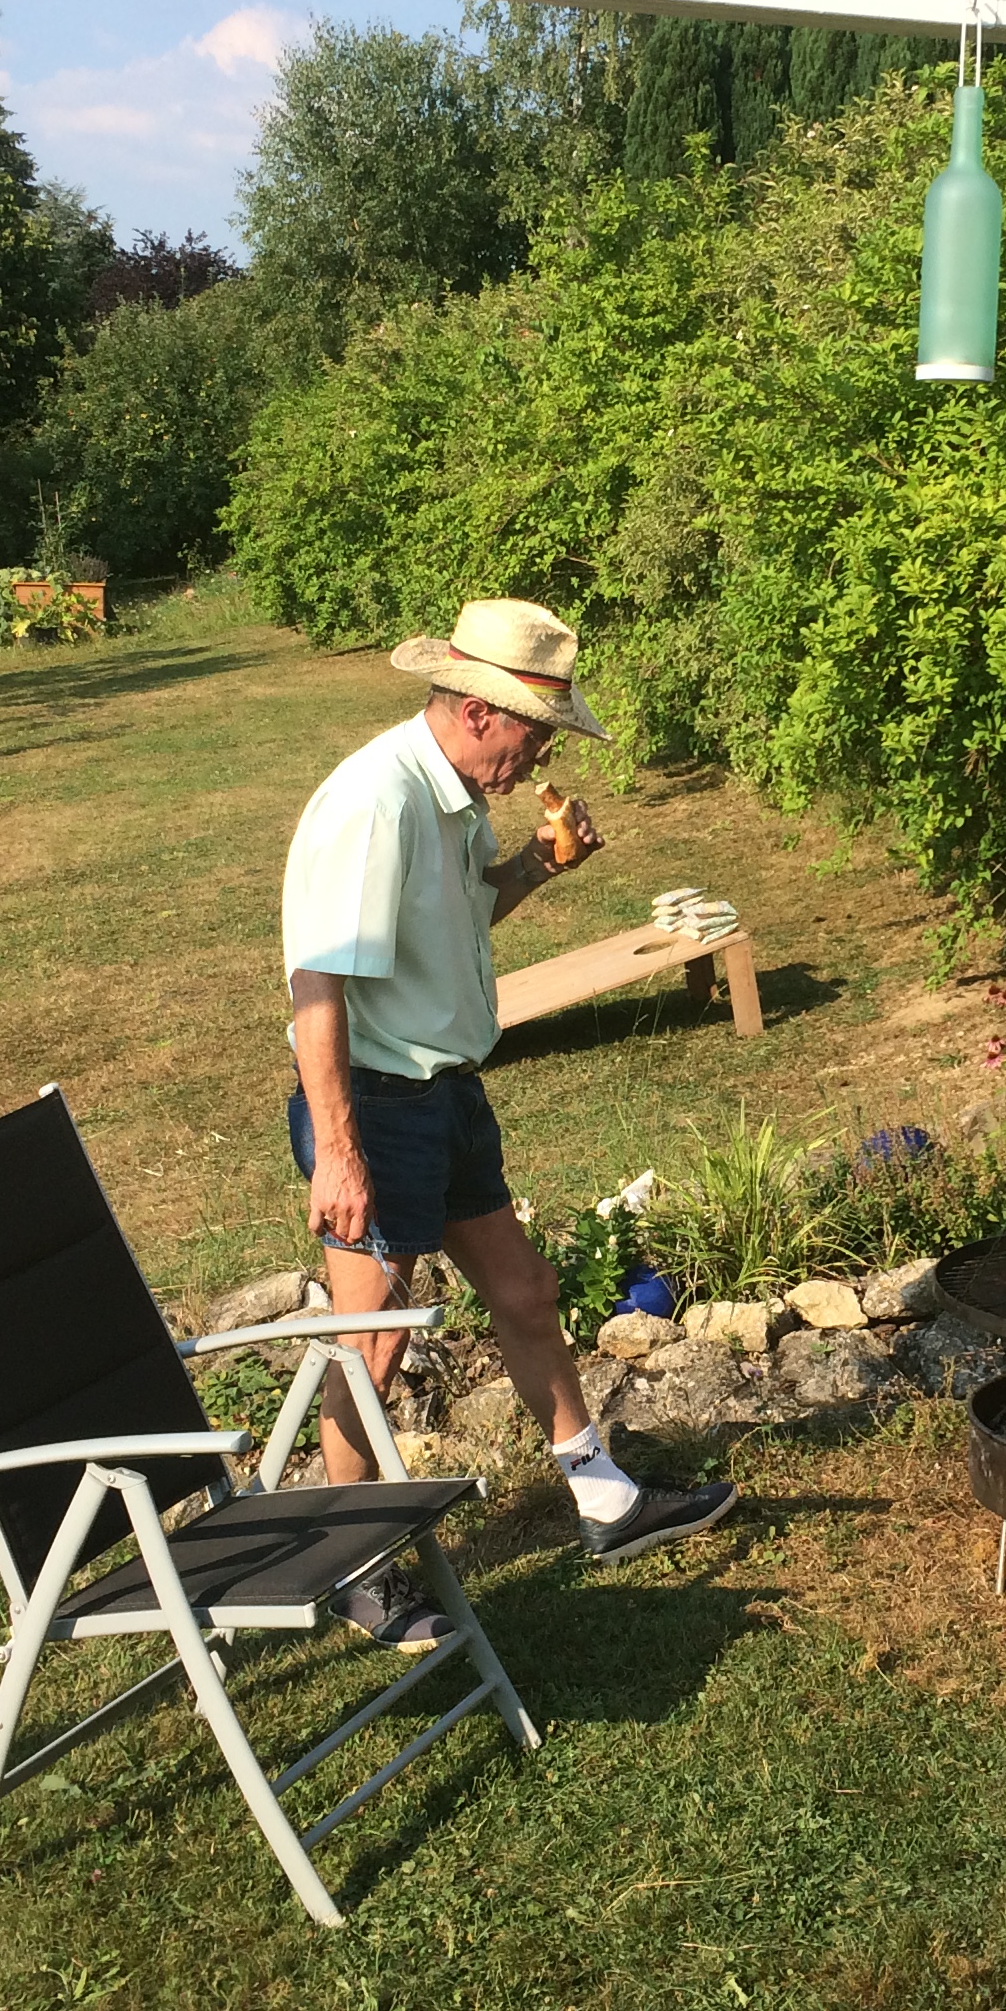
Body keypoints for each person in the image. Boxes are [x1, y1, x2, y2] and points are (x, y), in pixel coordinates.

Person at [280, 597, 738, 1651]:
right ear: (480, 711)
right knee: (372, 1347)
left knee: (526, 1291)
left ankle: (606, 1501)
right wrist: (340, 1151)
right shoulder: (377, 803)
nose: (541, 758)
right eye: (536, 734)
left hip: (443, 1093)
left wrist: (536, 867)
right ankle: (356, 1567)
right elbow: (317, 989)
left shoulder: (454, 798)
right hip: (374, 1104)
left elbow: (453, 921)